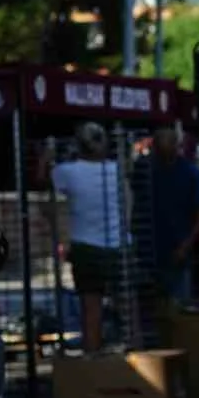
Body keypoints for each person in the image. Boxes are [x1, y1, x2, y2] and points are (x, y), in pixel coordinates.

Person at [42, 123, 126, 354]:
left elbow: (42, 180)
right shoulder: (116, 170)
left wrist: (46, 156)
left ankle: (93, 355)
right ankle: (127, 349)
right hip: (119, 245)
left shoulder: (67, 172)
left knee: (91, 307)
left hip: (86, 248)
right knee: (126, 304)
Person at [131, 124, 199, 309]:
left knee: (178, 307)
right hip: (148, 251)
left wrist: (185, 246)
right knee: (151, 308)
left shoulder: (189, 173)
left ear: (176, 146)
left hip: (176, 252)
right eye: (158, 147)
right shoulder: (145, 169)